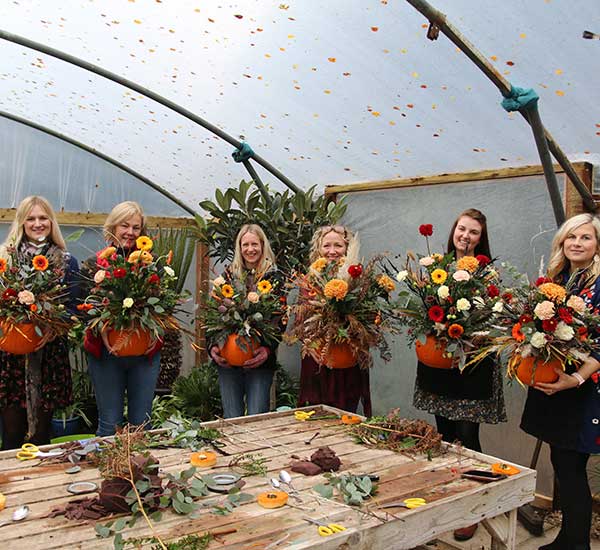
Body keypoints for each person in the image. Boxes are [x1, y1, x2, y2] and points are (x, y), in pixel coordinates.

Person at [412, 208, 506, 541]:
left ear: (482, 238)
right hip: (440, 364)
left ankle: (473, 508)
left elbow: (494, 316)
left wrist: (470, 335)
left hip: (471, 367)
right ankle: (449, 498)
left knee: (469, 438)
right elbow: (423, 309)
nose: (465, 236)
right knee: (445, 435)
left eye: (474, 232)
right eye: (462, 229)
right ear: (454, 230)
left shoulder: (488, 272)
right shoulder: (436, 267)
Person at [521, 213, 600, 550]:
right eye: (571, 237)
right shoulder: (561, 279)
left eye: (585, 237)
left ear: (597, 244)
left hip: (582, 390)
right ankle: (567, 538)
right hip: (556, 386)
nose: (576, 243)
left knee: (571, 469)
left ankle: (577, 545)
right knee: (562, 464)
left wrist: (577, 380)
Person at [0, 196, 79, 449]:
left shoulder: (66, 262)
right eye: (30, 218)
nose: (37, 223)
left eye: (43, 218)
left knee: (41, 437)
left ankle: (41, 487)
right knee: (11, 435)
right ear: (21, 223)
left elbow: (73, 310)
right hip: (10, 356)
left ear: (51, 222)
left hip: (48, 356)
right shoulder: (5, 259)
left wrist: (53, 327)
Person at [82, 201, 161, 436]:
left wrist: (154, 331)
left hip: (144, 353)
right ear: (113, 227)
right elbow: (85, 309)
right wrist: (103, 329)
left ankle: (141, 471)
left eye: (136, 228)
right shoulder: (93, 264)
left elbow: (162, 308)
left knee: (141, 426)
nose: (130, 232)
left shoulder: (150, 264)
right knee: (109, 423)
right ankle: (110, 471)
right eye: (124, 225)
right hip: (106, 353)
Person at [297, 224, 372, 416]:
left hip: (348, 360)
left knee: (346, 416)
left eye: (338, 246)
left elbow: (369, 319)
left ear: (347, 248)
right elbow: (299, 322)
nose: (332, 251)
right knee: (316, 415)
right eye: (326, 245)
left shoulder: (359, 280)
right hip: (317, 361)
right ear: (318, 249)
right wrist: (309, 342)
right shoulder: (309, 280)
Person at [209, 224, 281, 418]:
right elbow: (213, 314)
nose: (250, 249)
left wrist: (267, 349)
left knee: (257, 418)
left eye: (255, 244)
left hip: (259, 360)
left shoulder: (273, 278)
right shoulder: (228, 276)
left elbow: (279, 319)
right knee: (232, 417)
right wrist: (213, 346)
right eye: (245, 244)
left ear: (263, 245)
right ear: (239, 248)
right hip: (228, 360)